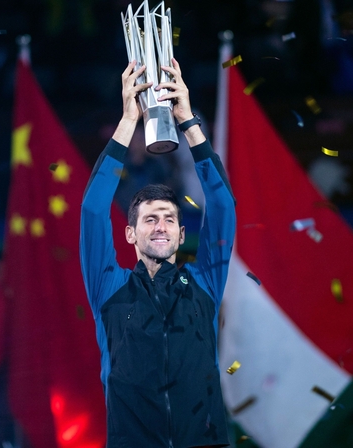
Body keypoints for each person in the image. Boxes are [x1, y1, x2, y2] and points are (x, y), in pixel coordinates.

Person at [80, 59, 235, 447]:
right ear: (130, 234)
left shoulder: (205, 283)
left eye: (168, 219)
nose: (161, 226)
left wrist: (187, 120)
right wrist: (128, 121)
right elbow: (93, 210)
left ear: (182, 235)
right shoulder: (109, 288)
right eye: (149, 219)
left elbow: (222, 206)